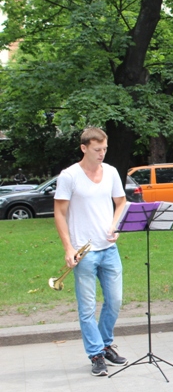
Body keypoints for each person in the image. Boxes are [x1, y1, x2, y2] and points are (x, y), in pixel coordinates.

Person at [54, 127, 129, 377]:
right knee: (87, 308)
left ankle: (105, 343)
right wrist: (68, 247)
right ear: (84, 148)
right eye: (97, 149)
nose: (102, 153)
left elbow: (121, 203)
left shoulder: (111, 172)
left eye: (105, 149)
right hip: (83, 252)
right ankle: (96, 353)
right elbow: (60, 213)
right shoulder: (69, 176)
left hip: (109, 248)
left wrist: (115, 225)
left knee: (115, 301)